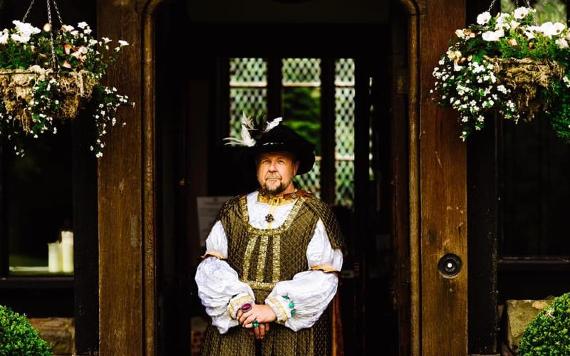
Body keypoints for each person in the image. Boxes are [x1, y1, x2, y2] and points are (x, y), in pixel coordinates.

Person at [195, 116, 343, 355]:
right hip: (237, 330)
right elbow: (211, 267)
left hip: (291, 337)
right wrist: (243, 307)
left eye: (280, 161)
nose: (272, 168)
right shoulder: (233, 211)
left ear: (294, 167)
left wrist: (272, 310)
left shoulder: (314, 214)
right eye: (265, 162)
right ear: (256, 167)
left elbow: (323, 279)